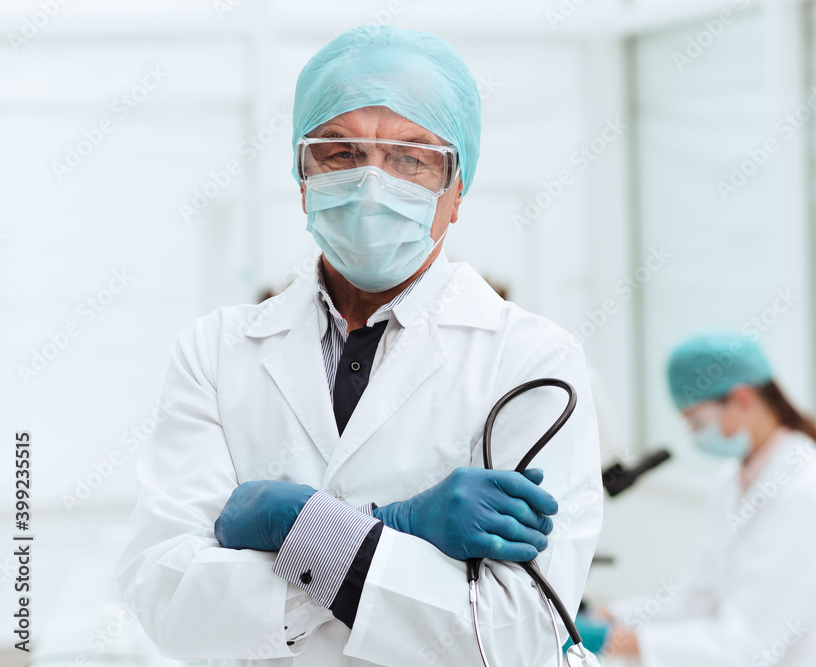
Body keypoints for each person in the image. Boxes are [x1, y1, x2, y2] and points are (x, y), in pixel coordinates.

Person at [115, 25, 602, 667]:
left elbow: (513, 635)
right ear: (301, 174)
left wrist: (299, 529)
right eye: (340, 152)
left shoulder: (536, 362)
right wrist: (396, 530)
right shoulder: (216, 351)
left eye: (411, 158)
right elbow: (170, 599)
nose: (374, 183)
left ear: (456, 193)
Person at [601, 331, 816, 666]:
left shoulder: (807, 490)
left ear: (742, 400)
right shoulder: (734, 480)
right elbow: (698, 597)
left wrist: (617, 641)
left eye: (698, 423)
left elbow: (746, 645)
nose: (696, 436)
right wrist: (609, 615)